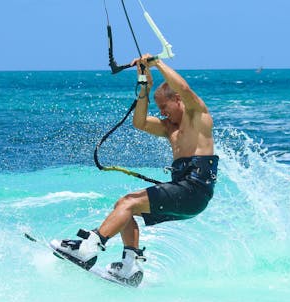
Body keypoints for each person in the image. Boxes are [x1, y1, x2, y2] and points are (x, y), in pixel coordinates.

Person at [50, 54, 219, 286]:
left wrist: (157, 63)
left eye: (164, 107)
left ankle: (89, 246)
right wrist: (143, 83)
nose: (161, 113)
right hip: (184, 191)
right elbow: (139, 122)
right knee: (123, 206)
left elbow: (186, 88)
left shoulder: (199, 117)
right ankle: (129, 266)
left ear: (178, 100)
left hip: (194, 190)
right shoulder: (170, 129)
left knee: (130, 202)